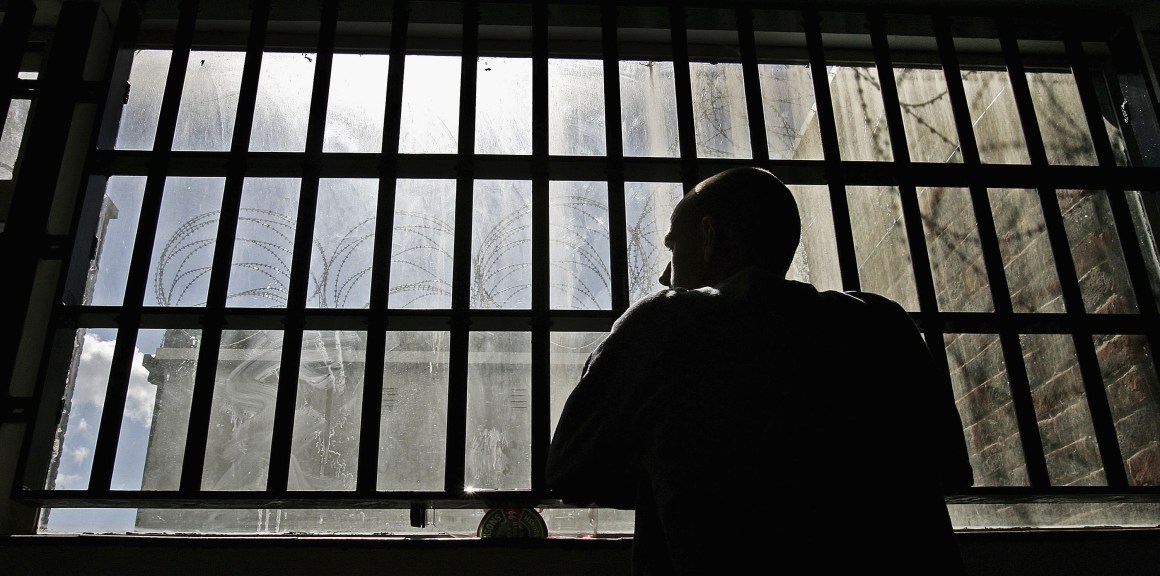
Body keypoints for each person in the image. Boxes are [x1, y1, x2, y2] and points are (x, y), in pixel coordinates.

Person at [545, 166, 974, 575]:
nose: (662, 274)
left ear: (710, 237)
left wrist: (671, 468)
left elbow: (570, 467)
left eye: (674, 247)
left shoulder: (666, 325)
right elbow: (952, 469)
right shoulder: (883, 325)